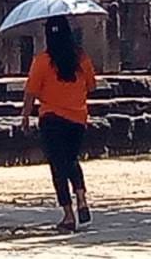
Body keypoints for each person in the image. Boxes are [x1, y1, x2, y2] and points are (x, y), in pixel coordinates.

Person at [22, 16, 97, 232]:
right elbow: (92, 86)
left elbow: (30, 92)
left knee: (58, 166)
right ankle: (81, 198)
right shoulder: (81, 58)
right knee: (72, 159)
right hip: (77, 118)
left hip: (51, 118)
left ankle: (68, 215)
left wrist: (25, 116)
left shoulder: (42, 60)